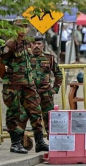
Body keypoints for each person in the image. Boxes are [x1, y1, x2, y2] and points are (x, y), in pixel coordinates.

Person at [0, 17, 48, 154]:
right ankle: (15, 143)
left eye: (25, 26)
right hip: (13, 85)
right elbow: (1, 62)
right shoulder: (11, 44)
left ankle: (39, 142)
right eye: (20, 26)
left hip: (28, 83)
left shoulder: (28, 43)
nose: (23, 29)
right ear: (15, 28)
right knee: (14, 113)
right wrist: (6, 76)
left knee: (36, 111)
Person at [20, 36, 63, 140]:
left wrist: (55, 89)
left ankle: (53, 141)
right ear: (30, 45)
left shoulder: (49, 58)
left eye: (39, 44)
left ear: (43, 45)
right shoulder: (25, 59)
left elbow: (58, 74)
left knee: (49, 118)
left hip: (45, 94)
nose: (36, 46)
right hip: (29, 94)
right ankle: (19, 141)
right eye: (34, 44)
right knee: (23, 117)